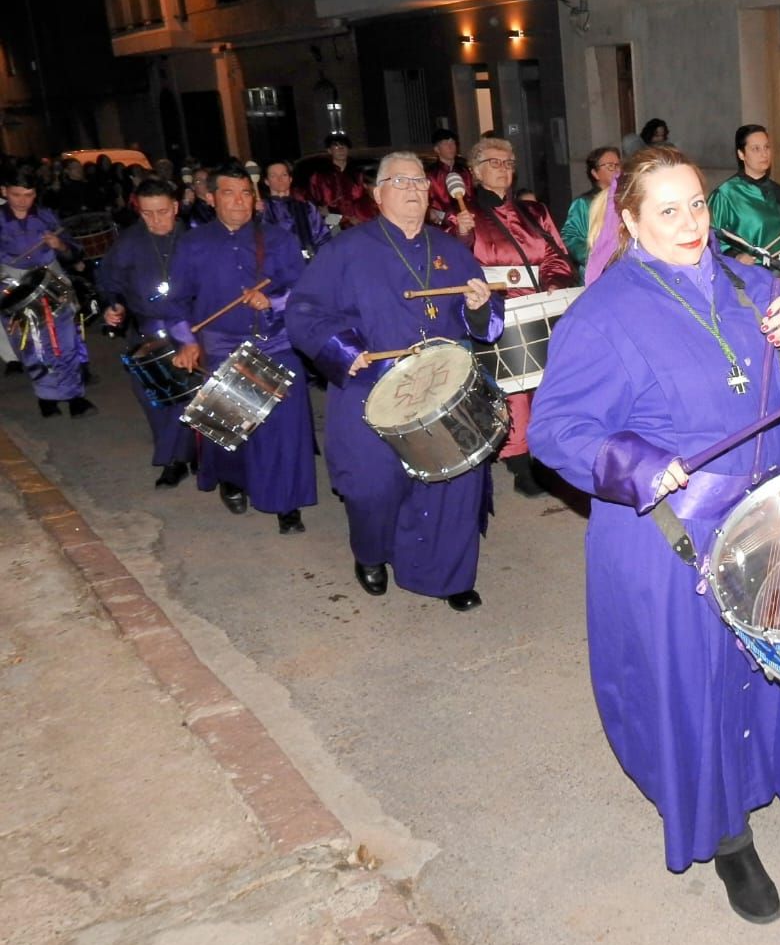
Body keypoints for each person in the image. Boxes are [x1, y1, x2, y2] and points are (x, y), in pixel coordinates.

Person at [530, 145, 780, 924]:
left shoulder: (751, 282)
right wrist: (631, 463)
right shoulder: (601, 313)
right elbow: (556, 429)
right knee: (693, 681)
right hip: (670, 533)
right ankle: (725, 836)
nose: (691, 222)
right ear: (629, 221)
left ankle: (760, 776)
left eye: (697, 203)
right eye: (667, 209)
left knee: (766, 663)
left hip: (767, 516)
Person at [288, 152, 503, 612]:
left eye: (420, 183)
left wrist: (481, 306)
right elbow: (304, 311)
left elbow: (484, 323)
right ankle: (370, 553)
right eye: (400, 181)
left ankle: (448, 574)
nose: (412, 190)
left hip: (442, 391)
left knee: (454, 483)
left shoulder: (451, 251)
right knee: (371, 486)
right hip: (372, 387)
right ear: (377, 192)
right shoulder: (345, 250)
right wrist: (343, 351)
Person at [165, 166, 316, 533]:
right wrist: (185, 340)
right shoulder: (193, 243)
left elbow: (306, 291)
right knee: (233, 427)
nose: (238, 201)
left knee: (285, 429)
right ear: (210, 197)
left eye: (245, 193)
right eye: (229, 193)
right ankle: (233, 480)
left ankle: (287, 502)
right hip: (224, 346)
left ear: (255, 197)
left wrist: (274, 300)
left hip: (275, 343)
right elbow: (175, 301)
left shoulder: (277, 239)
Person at [450, 137, 576, 497]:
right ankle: (519, 459)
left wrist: (554, 282)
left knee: (550, 383)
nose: (504, 169)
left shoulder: (534, 212)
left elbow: (556, 253)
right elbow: (453, 263)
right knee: (515, 387)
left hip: (541, 304)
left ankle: (551, 451)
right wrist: (461, 234)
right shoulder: (465, 216)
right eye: (494, 162)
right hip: (498, 309)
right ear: (475, 171)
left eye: (509, 163)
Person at [98, 178, 197, 486]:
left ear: (176, 207)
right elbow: (108, 280)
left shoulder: (195, 239)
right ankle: (174, 458)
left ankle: (188, 456)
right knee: (156, 398)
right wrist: (113, 305)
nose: (155, 220)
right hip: (147, 332)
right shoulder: (128, 242)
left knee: (190, 398)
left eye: (163, 212)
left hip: (192, 331)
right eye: (147, 213)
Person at [0, 169, 95, 417]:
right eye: (16, 194)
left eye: (29, 195)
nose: (22, 200)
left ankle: (75, 396)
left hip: (51, 280)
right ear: (4, 192)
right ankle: (46, 397)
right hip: (13, 284)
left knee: (64, 341)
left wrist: (60, 245)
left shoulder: (46, 216)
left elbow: (74, 251)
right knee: (31, 345)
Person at [709, 124, 780, 262]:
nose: (764, 154)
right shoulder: (725, 195)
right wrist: (736, 257)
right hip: (748, 277)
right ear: (741, 154)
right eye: (756, 149)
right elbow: (709, 240)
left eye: (766, 147)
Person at [561, 146, 622, 279]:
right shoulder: (584, 203)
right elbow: (570, 237)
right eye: (610, 166)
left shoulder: (625, 200)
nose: (617, 170)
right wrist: (598, 257)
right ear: (595, 173)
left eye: (618, 165)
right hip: (597, 274)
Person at [259, 159, 331, 260]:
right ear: (266, 181)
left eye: (284, 175)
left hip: (308, 264)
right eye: (273, 175)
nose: (280, 179)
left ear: (290, 179)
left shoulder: (306, 207)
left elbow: (323, 237)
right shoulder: (262, 209)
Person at [304, 132, 377, 227]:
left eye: (344, 146)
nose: (341, 150)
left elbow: (369, 199)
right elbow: (313, 205)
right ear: (329, 150)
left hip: (360, 222)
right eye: (336, 147)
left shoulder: (358, 174)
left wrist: (360, 218)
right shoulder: (319, 177)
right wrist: (339, 218)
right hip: (332, 223)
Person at [424, 127, 472, 227]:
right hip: (441, 226)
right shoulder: (429, 174)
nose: (451, 147)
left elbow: (471, 198)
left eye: (453, 143)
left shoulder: (464, 171)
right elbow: (425, 204)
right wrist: (442, 217)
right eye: (446, 144)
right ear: (437, 149)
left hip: (466, 221)